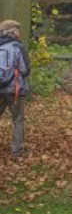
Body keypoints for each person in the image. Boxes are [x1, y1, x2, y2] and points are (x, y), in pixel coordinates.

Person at [0, 20, 31, 157]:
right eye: (17, 29)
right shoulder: (17, 46)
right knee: (18, 120)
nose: (19, 32)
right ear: (11, 31)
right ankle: (16, 151)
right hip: (15, 90)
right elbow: (25, 69)